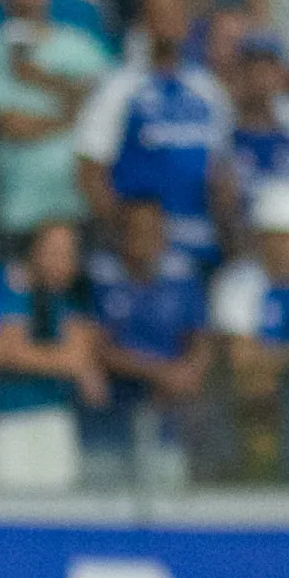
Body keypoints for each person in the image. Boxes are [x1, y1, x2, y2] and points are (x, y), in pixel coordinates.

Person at [75, 0, 235, 268]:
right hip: (140, 258)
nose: (167, 25)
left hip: (200, 249)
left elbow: (222, 171)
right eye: (158, 16)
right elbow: (89, 171)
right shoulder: (119, 88)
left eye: (174, 15)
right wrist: (125, 234)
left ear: (187, 23)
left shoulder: (209, 91)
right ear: (144, 24)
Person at [0, 0, 113, 244]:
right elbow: (10, 125)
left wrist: (39, 78)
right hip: (18, 206)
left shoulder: (80, 45)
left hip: (75, 202)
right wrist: (71, 116)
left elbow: (105, 105)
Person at [87, 196, 209, 486]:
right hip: (109, 421)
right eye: (136, 229)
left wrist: (189, 372)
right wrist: (159, 372)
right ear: (121, 232)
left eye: (153, 230)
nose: (145, 238)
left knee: (170, 503)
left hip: (168, 420)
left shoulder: (182, 276)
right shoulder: (99, 278)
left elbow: (200, 336)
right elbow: (96, 347)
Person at [0, 219, 107, 490]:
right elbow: (10, 351)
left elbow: (81, 355)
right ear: (33, 252)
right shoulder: (10, 287)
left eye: (68, 253)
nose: (60, 260)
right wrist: (66, 362)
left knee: (60, 510)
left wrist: (49, 358)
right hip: (9, 419)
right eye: (52, 251)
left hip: (56, 419)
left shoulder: (74, 299)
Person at [211, 180, 289, 478]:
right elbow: (242, 362)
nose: (286, 248)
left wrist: (274, 360)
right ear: (261, 240)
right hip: (259, 403)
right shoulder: (238, 284)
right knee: (256, 388)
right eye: (277, 238)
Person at [227, 32, 289, 221]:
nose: (261, 79)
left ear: (281, 75)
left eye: (268, 70)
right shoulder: (224, 131)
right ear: (239, 75)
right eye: (253, 70)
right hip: (246, 240)